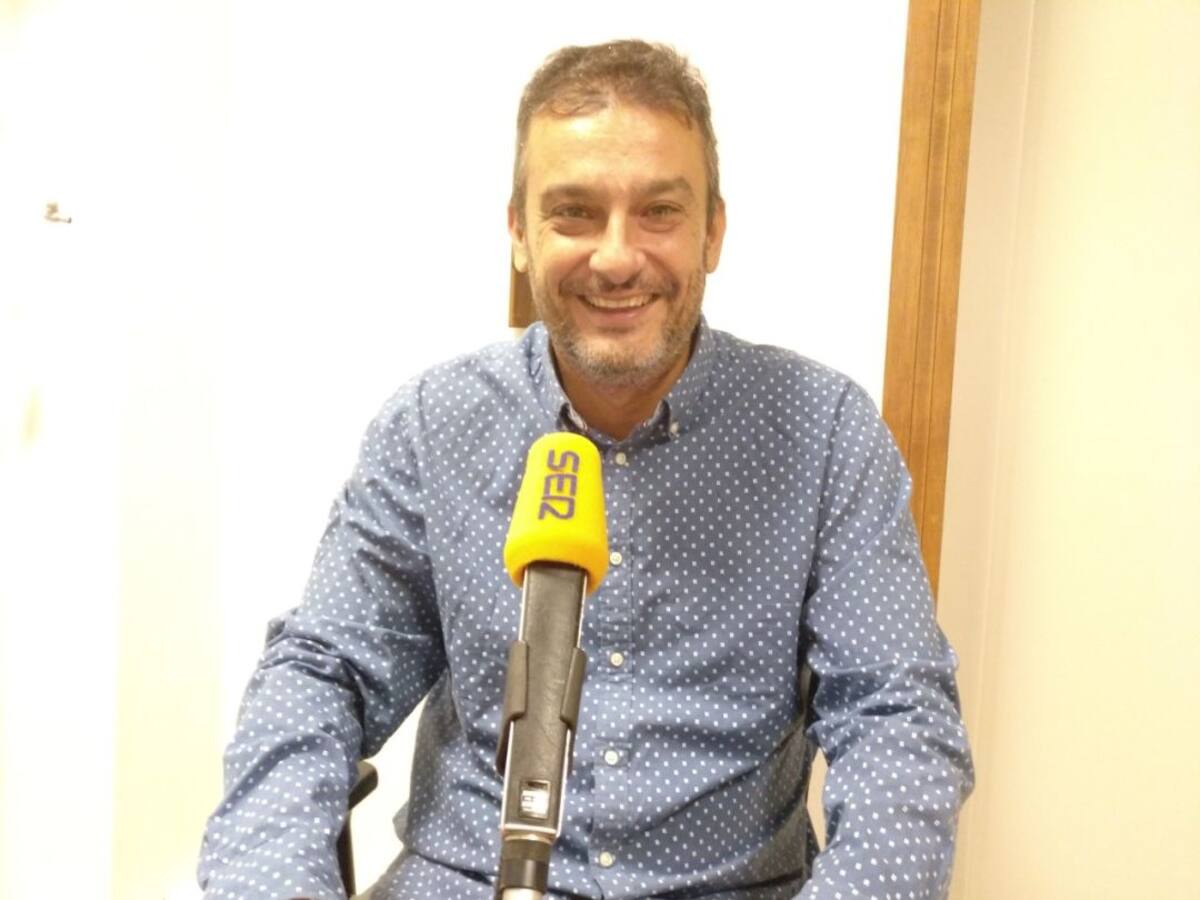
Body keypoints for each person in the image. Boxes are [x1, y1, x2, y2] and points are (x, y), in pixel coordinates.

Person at [198, 39, 974, 900]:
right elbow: (323, 672)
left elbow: (897, 715)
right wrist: (272, 881)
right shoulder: (431, 425)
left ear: (713, 232)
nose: (615, 257)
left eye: (659, 212)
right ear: (519, 233)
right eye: (574, 213)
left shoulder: (825, 433)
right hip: (467, 881)